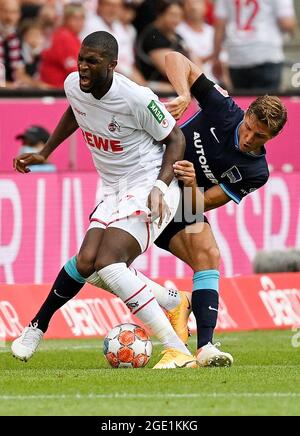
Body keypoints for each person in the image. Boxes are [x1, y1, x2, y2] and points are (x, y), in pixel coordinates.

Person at [54, 50, 288, 368]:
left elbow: (203, 204)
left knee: (208, 254)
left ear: (272, 137)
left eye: (260, 136)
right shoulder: (224, 110)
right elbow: (174, 58)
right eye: (249, 128)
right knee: (97, 267)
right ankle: (172, 301)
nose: (248, 138)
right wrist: (183, 93)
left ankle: (205, 347)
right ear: (246, 115)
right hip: (149, 178)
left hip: (183, 201)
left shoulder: (256, 172)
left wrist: (191, 183)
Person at [12, 31, 198, 370]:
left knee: (110, 264)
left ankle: (177, 350)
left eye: (92, 62)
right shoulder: (74, 84)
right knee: (87, 265)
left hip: (148, 184)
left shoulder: (136, 98)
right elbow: (76, 111)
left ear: (112, 65)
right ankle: (174, 302)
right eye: (81, 59)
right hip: (112, 188)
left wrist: (160, 185)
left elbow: (176, 137)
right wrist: (44, 151)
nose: (83, 67)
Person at [212, 0, 297, 91]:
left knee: (244, 103)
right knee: (267, 103)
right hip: (266, 54)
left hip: (237, 57)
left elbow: (220, 25)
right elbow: (287, 23)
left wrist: (216, 58)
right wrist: (292, 32)